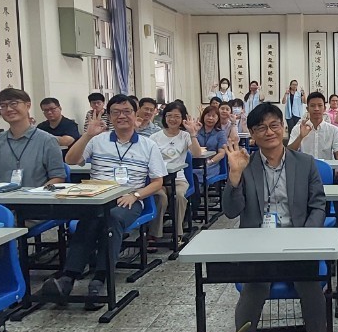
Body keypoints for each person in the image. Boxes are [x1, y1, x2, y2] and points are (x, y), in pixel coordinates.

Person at [221, 102, 330, 332]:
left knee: (312, 288)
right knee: (253, 290)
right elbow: (231, 211)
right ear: (253, 134)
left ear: (283, 128)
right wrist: (234, 177)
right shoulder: (245, 164)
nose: (269, 132)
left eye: (274, 125)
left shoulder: (305, 163)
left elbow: (318, 205)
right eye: (261, 128)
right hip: (259, 248)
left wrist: (305, 238)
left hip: (297, 245)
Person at [45, 94, 166, 309]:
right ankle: (68, 278)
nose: (122, 116)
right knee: (88, 222)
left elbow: (157, 182)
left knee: (113, 219)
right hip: (97, 200)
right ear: (109, 116)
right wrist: (86, 136)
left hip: (129, 200)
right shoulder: (98, 140)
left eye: (127, 111)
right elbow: (70, 161)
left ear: (135, 114)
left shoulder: (148, 145)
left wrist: (135, 195)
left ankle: (100, 278)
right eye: (116, 112)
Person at [0, 88, 66, 187]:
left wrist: (35, 194)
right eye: (3, 106)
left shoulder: (47, 140)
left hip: (36, 199)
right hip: (1, 199)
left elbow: (58, 177)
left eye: (14, 103)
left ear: (28, 105)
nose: (8, 109)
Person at [150, 101, 205, 245]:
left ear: (183, 119)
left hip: (179, 178)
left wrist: (193, 134)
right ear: (164, 117)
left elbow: (197, 154)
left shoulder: (185, 136)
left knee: (179, 196)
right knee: (160, 197)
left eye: (177, 116)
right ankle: (154, 234)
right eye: (169, 115)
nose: (173, 119)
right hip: (159, 179)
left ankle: (178, 233)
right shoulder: (154, 137)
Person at [289, 90, 338, 161]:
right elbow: (288, 153)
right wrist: (300, 137)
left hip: (326, 169)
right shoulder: (298, 129)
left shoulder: (333, 130)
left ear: (324, 108)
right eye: (312, 106)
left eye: (320, 105)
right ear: (307, 109)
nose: (316, 109)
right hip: (305, 170)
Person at [195, 105, 231, 181]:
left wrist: (210, 162)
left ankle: (200, 191)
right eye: (208, 115)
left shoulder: (220, 133)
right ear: (203, 116)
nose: (210, 118)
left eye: (213, 116)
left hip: (212, 164)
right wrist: (194, 133)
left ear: (218, 119)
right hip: (196, 163)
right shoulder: (197, 131)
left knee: (201, 174)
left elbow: (222, 153)